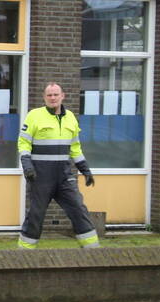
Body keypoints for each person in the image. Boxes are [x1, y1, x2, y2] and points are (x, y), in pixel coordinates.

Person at [17, 82, 100, 249]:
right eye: (49, 95)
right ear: (44, 97)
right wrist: (27, 165)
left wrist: (85, 170)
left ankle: (93, 251)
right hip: (40, 176)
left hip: (64, 175)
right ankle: (23, 254)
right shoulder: (34, 115)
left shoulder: (71, 118)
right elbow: (24, 142)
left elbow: (75, 148)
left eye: (56, 94)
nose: (53, 98)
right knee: (36, 215)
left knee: (78, 209)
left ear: (63, 96)